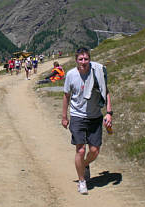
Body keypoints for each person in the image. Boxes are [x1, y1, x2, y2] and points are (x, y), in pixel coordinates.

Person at [61, 47, 113, 195]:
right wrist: (64, 117)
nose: (83, 62)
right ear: (76, 60)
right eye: (80, 59)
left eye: (86, 59)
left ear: (89, 59)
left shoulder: (97, 72)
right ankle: (82, 181)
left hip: (95, 117)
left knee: (94, 150)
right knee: (81, 149)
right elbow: (66, 96)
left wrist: (109, 113)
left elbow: (106, 92)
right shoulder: (71, 75)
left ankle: (83, 165)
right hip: (77, 116)